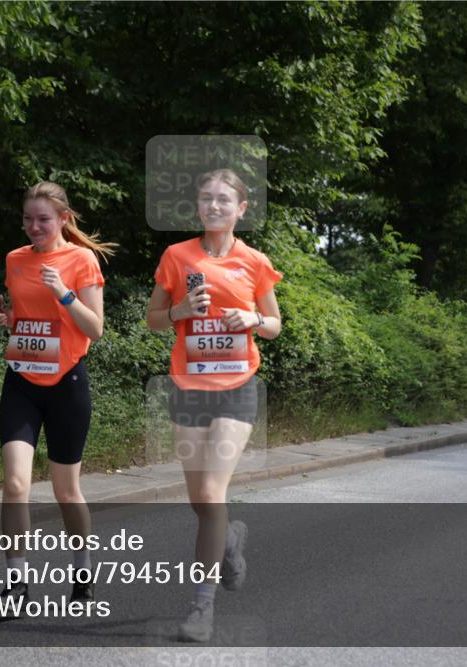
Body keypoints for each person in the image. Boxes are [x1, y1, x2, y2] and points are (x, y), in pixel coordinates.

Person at [146, 168, 282, 642]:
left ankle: (201, 608)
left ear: (241, 209)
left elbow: (275, 325)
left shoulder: (254, 261)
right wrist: (179, 313)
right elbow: (153, 319)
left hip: (237, 387)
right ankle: (231, 538)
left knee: (210, 493)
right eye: (206, 199)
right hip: (188, 386)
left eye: (225, 200)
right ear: (198, 206)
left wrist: (254, 317)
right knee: (200, 503)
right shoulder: (176, 256)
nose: (215, 206)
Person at [0, 181, 116, 618]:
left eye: (43, 219)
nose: (33, 227)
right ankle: (16, 585)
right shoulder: (14, 260)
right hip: (21, 379)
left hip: (67, 384)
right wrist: (8, 320)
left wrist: (63, 292)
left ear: (63, 219)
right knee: (16, 485)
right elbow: (24, 320)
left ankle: (82, 573)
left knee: (66, 490)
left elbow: (94, 329)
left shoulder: (82, 260)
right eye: (27, 219)